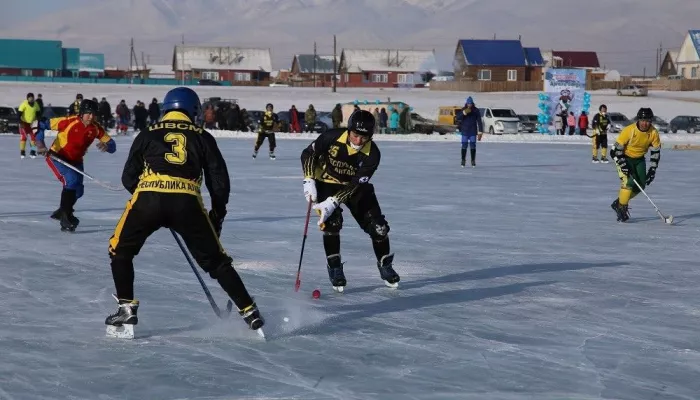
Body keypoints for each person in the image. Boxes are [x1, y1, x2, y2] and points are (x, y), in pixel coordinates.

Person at [105, 87, 264, 337]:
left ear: (167, 108)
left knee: (120, 250)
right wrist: (216, 215)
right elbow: (219, 182)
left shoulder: (147, 133)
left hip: (147, 200)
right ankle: (250, 311)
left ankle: (126, 307)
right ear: (193, 111)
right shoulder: (202, 136)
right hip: (187, 203)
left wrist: (153, 202)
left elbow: (128, 178)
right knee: (217, 261)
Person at [300, 110, 400, 292]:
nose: (358, 141)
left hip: (354, 188)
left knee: (379, 228)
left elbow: (356, 184)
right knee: (332, 223)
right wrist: (308, 179)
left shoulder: (373, 155)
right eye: (355, 135)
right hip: (325, 182)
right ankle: (335, 266)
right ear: (349, 130)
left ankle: (385, 265)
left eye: (364, 137)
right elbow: (308, 154)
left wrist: (334, 202)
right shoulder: (331, 137)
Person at [46, 99, 116, 231]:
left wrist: (107, 146)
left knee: (78, 191)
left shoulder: (95, 128)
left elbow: (113, 145)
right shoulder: (69, 121)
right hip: (57, 157)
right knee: (71, 181)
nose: (91, 117)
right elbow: (42, 124)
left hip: (76, 161)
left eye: (94, 114)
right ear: (82, 113)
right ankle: (66, 218)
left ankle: (63, 210)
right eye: (88, 113)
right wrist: (39, 143)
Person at [610, 107, 661, 222]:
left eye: (647, 120)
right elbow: (615, 151)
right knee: (629, 182)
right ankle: (622, 208)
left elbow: (656, 152)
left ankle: (619, 202)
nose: (645, 123)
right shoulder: (629, 130)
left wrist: (652, 169)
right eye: (642, 120)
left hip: (639, 159)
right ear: (638, 120)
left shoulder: (653, 133)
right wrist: (623, 164)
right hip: (624, 157)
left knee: (641, 185)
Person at [456, 96, 483, 167]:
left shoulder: (476, 110)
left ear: (472, 103)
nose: (469, 105)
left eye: (470, 103)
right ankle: (463, 160)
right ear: (466, 103)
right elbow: (457, 117)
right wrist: (464, 113)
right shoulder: (463, 109)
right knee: (464, 145)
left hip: (473, 131)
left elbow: (479, 121)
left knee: (472, 146)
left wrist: (480, 131)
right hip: (464, 131)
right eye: (468, 103)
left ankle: (473, 160)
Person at [18, 92, 41, 159]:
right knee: (24, 137)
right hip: (24, 123)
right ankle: (22, 151)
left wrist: (39, 118)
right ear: (27, 98)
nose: (31, 99)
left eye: (32, 98)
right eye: (30, 98)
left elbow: (38, 113)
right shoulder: (24, 104)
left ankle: (33, 151)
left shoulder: (36, 104)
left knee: (33, 138)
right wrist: (20, 121)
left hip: (32, 123)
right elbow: (19, 114)